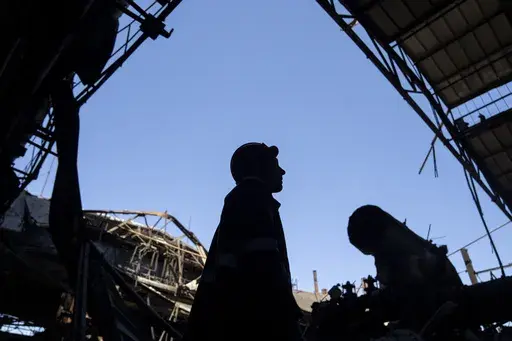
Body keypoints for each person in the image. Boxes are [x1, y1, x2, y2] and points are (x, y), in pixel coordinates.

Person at [184, 142, 302, 341]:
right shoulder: (252, 197)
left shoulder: (243, 199)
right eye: (275, 165)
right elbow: (263, 265)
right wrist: (285, 318)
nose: (282, 171)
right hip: (251, 321)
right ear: (259, 167)